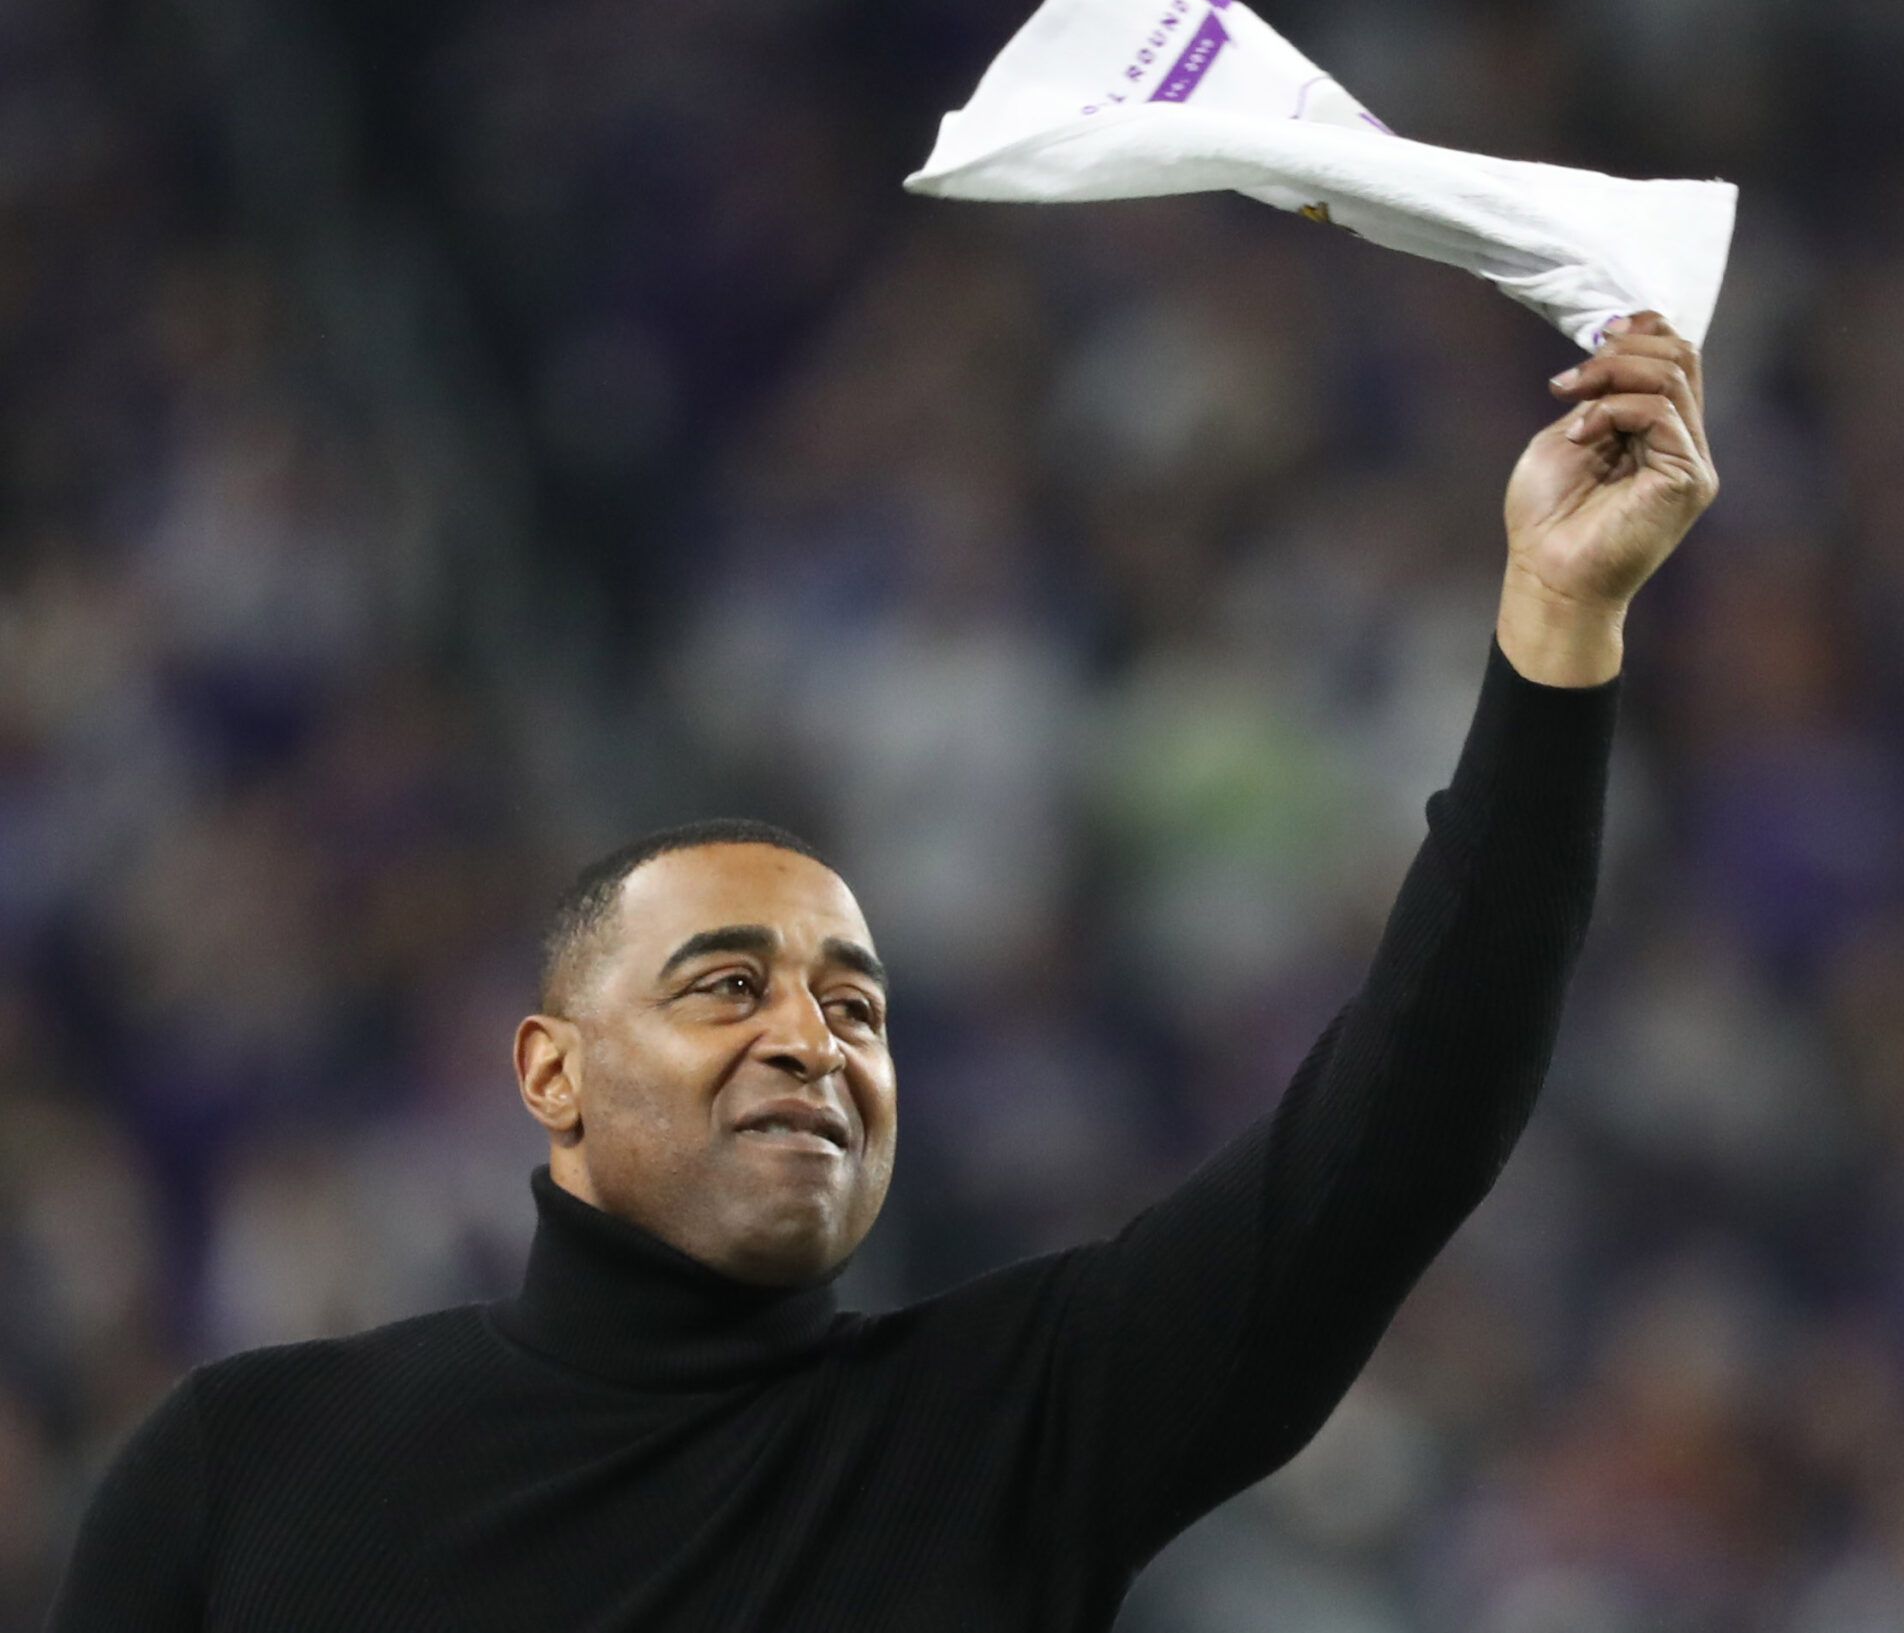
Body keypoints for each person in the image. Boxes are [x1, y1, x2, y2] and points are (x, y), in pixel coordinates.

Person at [45, 312, 1718, 1631]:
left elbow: (1407, 1117)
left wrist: (1559, 619)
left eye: (857, 1005)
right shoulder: (249, 1468)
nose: (810, 1036)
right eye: (723, 983)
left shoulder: (1007, 1434)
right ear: (550, 1069)